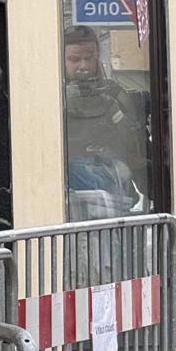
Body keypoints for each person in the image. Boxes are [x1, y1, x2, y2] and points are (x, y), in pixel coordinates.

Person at [62, 25, 149, 219]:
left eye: (89, 58)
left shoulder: (114, 96)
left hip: (115, 195)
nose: (83, 66)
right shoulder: (54, 98)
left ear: (97, 58)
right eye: (75, 59)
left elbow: (135, 149)